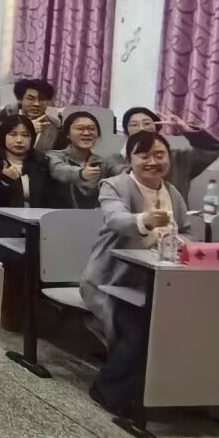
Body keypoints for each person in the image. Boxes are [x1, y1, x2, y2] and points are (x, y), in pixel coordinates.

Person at [82, 133, 189, 417]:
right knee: (140, 326)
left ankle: (173, 394)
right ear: (130, 159)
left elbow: (188, 230)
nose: (153, 161)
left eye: (159, 155)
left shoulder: (173, 193)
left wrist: (181, 242)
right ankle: (108, 389)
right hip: (111, 282)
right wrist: (145, 220)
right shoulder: (114, 185)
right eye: (144, 155)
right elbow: (116, 219)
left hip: (159, 281)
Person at [0, 109, 56, 237]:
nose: (19, 140)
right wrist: (4, 180)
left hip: (38, 230)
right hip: (0, 228)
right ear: (3, 136)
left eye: (25, 135)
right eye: (13, 134)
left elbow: (54, 200)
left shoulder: (41, 164)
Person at [107, 107, 219, 186]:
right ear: (126, 132)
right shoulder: (116, 160)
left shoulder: (178, 159)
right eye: (134, 125)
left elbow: (212, 149)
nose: (142, 128)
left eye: (147, 123)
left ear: (157, 129)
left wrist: (187, 130)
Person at [47, 110, 117, 208]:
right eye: (80, 128)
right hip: (58, 214)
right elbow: (59, 170)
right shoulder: (53, 155)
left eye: (91, 129)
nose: (86, 133)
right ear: (67, 134)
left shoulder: (102, 162)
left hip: (93, 216)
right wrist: (81, 173)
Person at [13, 77, 61, 153]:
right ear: (20, 100)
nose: (36, 104)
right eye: (31, 99)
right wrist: (27, 130)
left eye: (42, 99)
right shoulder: (6, 121)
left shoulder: (56, 126)